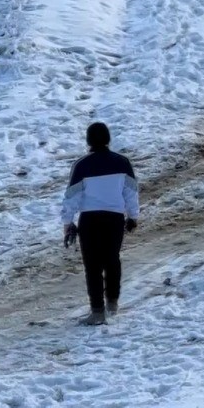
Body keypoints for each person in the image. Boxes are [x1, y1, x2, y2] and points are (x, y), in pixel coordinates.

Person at [62, 122, 140, 326]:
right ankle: (112, 303)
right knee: (112, 260)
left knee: (92, 266)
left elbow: (72, 197)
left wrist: (68, 222)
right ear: (108, 139)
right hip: (114, 219)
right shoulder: (122, 162)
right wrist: (133, 216)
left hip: (90, 220)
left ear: (88, 140)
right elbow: (130, 192)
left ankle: (97, 312)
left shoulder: (81, 165)